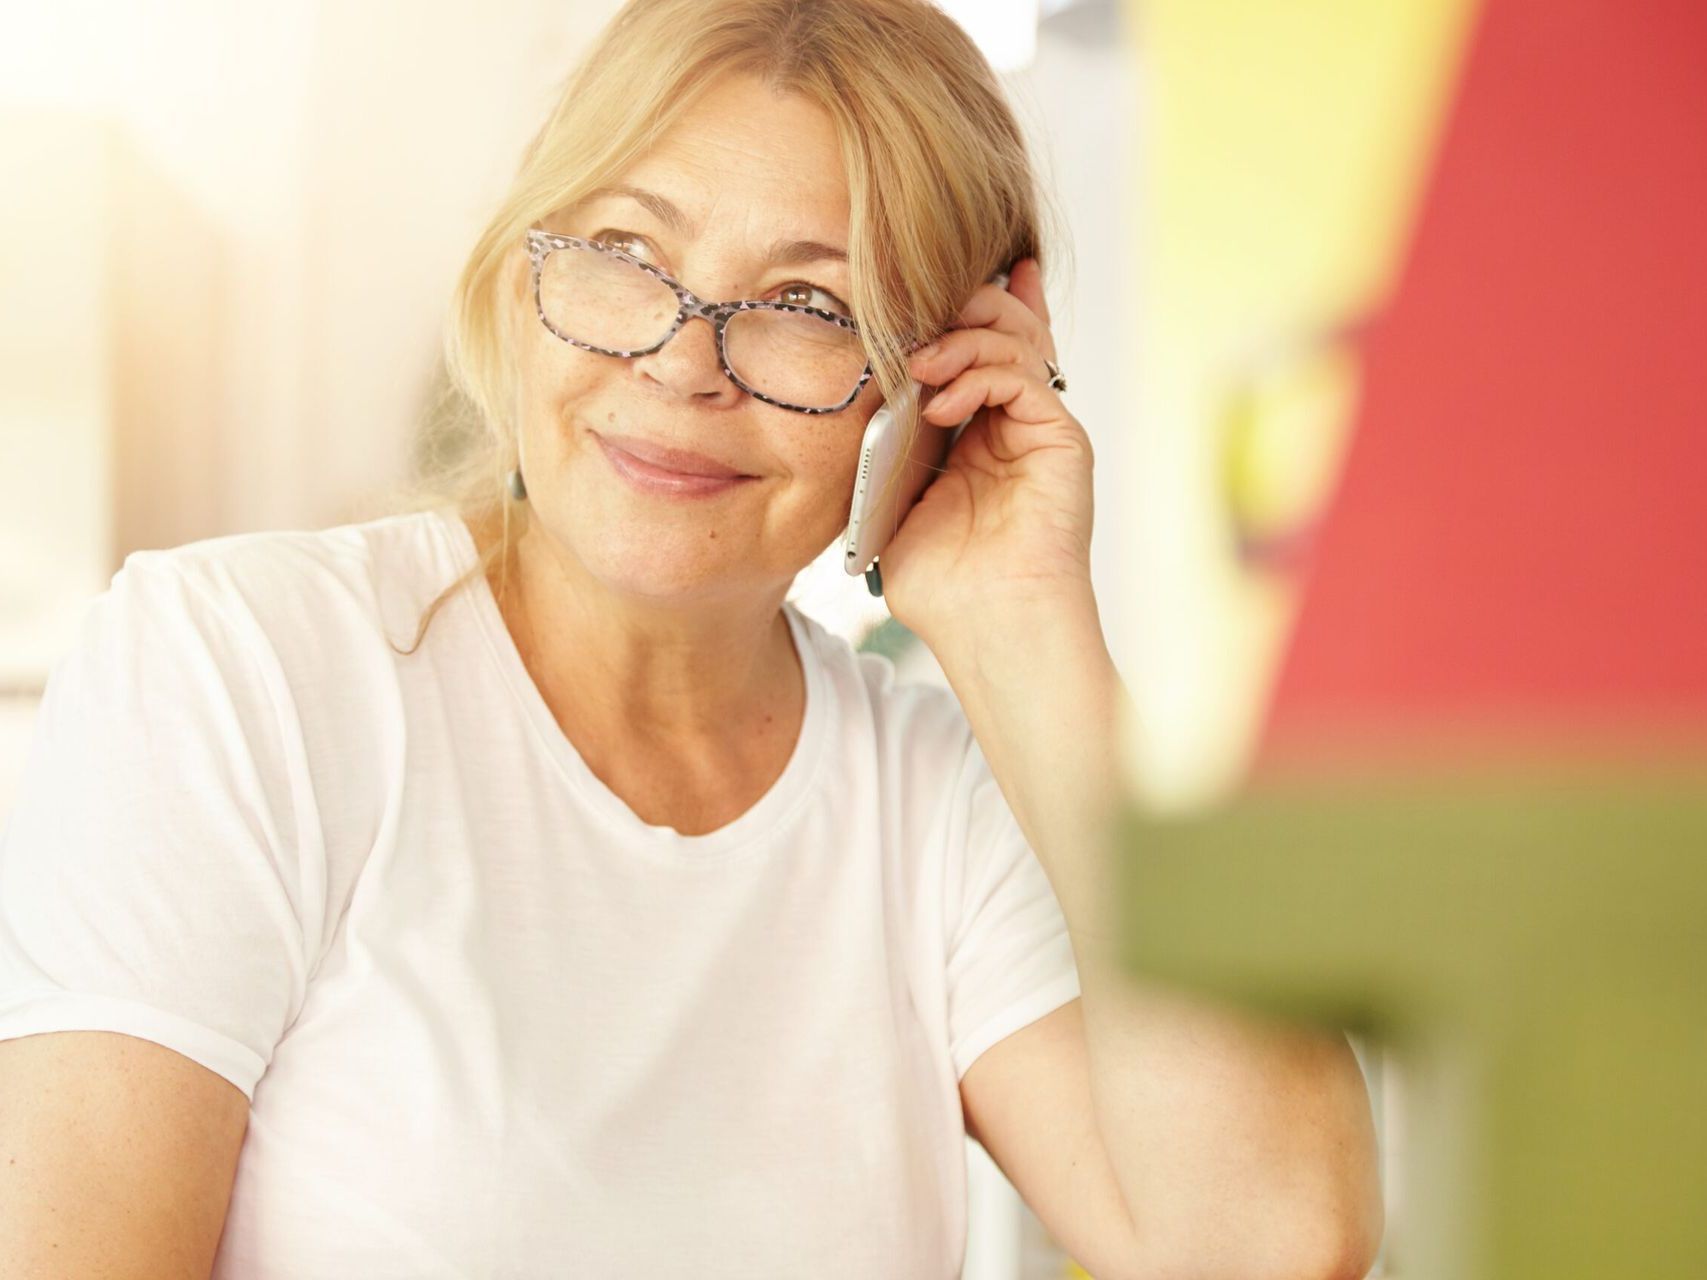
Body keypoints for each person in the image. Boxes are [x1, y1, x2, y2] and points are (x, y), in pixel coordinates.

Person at [0, 2, 1383, 1278]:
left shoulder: (937, 794)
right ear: (525, 256)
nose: (682, 363)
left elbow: (1276, 1245)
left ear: (941, 383)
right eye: (626, 256)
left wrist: (1025, 617)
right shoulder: (243, 668)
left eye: (806, 308)